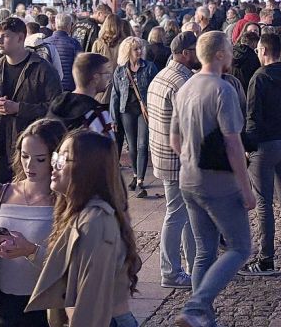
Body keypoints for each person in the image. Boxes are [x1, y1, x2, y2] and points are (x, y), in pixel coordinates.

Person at [172, 31, 256, 327]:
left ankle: (200, 319)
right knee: (240, 248)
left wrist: (192, 159)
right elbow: (233, 144)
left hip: (188, 179)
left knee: (204, 251)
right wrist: (246, 188)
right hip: (218, 183)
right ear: (220, 54)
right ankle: (196, 307)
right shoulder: (223, 90)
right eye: (230, 49)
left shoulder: (185, 87)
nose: (232, 54)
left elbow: (174, 139)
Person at [26, 130, 142, 327]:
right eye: (56, 157)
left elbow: (92, 301)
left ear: (88, 169)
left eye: (64, 160)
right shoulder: (79, 212)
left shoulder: (95, 222)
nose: (54, 166)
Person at [0, 119, 66, 327]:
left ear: (56, 159)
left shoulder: (66, 200)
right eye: (25, 156)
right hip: (7, 309)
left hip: (49, 309)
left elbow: (71, 265)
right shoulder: (1, 193)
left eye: (40, 159)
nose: (29, 165)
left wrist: (30, 251)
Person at [240, 32, 281, 274]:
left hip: (264, 145)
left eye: (258, 50)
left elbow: (252, 116)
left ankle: (266, 258)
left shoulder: (260, 77)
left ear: (264, 50)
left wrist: (248, 147)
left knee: (264, 202)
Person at [0, 17, 63, 184]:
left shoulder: (43, 69)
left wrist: (19, 108)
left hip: (30, 150)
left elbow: (55, 108)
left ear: (20, 38)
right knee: (3, 195)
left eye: (5, 36)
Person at [147, 32, 199, 289]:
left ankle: (193, 265)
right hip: (179, 160)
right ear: (186, 53)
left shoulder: (161, 76)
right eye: (195, 50)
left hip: (163, 156)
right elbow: (190, 126)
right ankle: (170, 271)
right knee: (177, 215)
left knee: (185, 214)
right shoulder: (182, 82)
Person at [110, 36, 159, 198]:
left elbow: (155, 89)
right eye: (135, 49)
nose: (139, 51)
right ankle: (135, 174)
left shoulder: (149, 67)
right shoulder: (120, 70)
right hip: (126, 110)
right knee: (131, 146)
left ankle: (140, 181)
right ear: (128, 51)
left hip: (144, 110)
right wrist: (114, 118)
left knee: (142, 144)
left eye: (140, 48)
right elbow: (115, 95)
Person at [47, 53, 115, 137]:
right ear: (96, 78)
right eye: (107, 74)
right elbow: (109, 144)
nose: (109, 78)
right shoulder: (97, 115)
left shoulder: (57, 104)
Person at [93, 13, 128, 104]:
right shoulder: (125, 43)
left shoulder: (98, 43)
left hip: (102, 85)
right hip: (120, 84)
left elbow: (92, 65)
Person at [43, 14, 82, 91]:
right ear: (69, 26)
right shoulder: (74, 43)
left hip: (49, 85)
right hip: (69, 85)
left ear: (55, 25)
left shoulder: (45, 42)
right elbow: (79, 65)